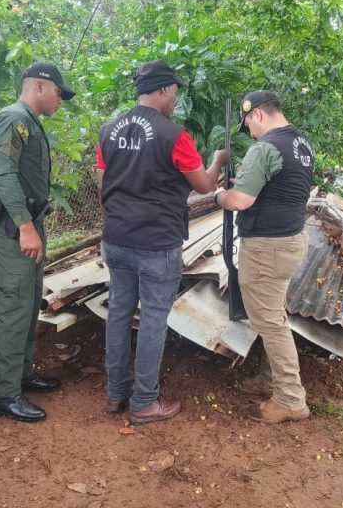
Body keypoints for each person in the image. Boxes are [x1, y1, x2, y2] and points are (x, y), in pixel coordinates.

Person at [96, 59, 228, 425]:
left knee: (119, 312)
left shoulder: (109, 130)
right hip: (157, 242)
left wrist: (120, 214)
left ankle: (114, 394)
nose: (175, 100)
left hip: (117, 238)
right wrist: (217, 161)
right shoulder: (174, 135)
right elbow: (203, 186)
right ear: (163, 90)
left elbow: (102, 184)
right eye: (174, 92)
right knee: (153, 317)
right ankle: (143, 403)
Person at [213, 90, 314, 424]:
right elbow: (279, 186)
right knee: (275, 316)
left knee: (270, 323)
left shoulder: (266, 147)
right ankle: (270, 380)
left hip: (267, 248)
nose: (250, 133)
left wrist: (220, 196)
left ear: (256, 114)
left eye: (249, 126)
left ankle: (290, 399)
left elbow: (240, 201)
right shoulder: (300, 143)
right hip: (290, 240)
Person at [0, 62, 76, 422]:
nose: (60, 101)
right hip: (12, 228)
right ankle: (5, 396)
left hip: (26, 224)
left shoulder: (27, 120)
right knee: (14, 309)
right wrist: (24, 225)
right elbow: (2, 174)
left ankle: (21, 375)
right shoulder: (12, 118)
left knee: (29, 302)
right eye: (58, 93)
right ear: (39, 86)